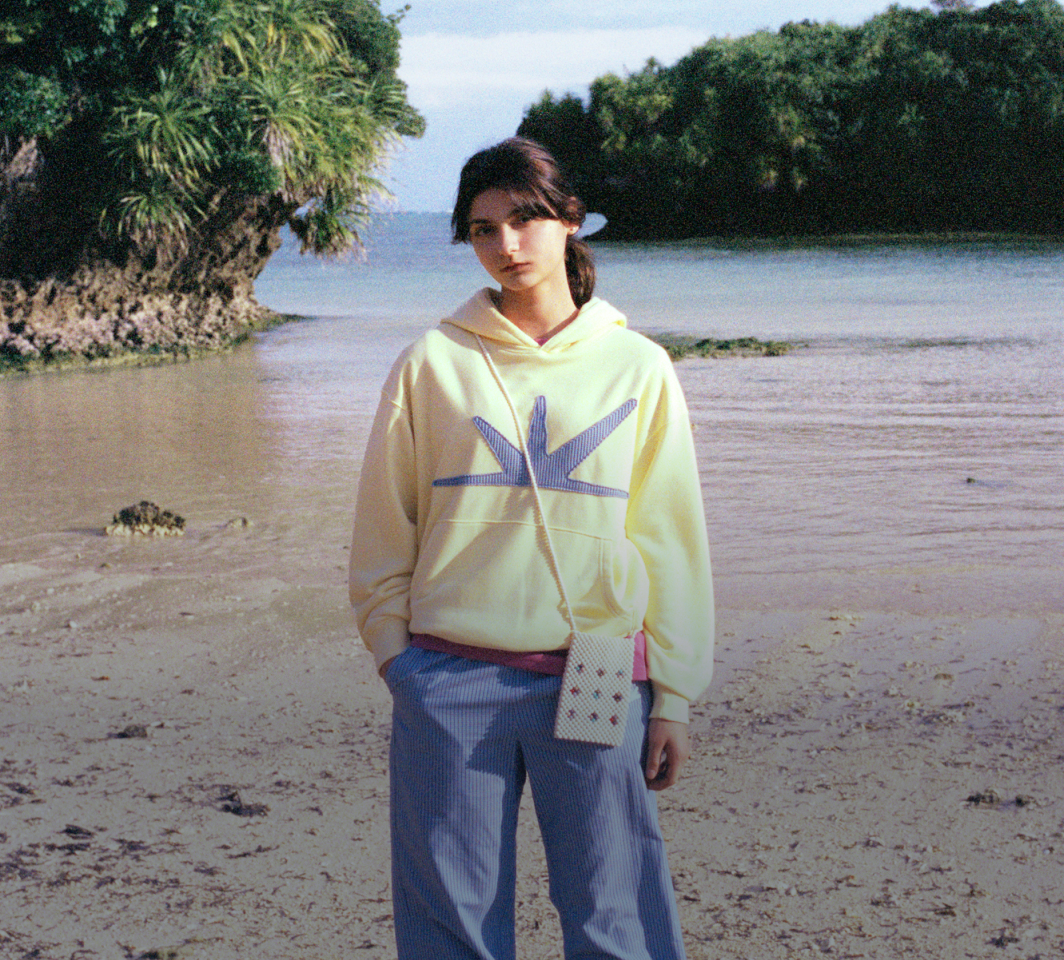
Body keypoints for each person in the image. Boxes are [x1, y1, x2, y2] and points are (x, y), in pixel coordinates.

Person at [349, 137, 714, 960]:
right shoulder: (432, 362)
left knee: (616, 918)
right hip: (448, 676)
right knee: (452, 928)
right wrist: (398, 660)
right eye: (483, 229)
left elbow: (671, 538)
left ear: (571, 220)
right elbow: (383, 526)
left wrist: (674, 697)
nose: (506, 245)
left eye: (524, 219)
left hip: (596, 669)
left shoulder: (639, 366)